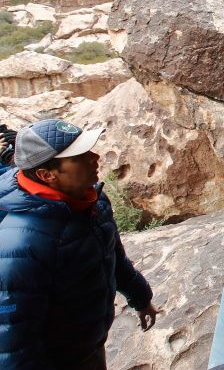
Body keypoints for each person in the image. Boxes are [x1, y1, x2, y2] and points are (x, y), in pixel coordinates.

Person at [0, 119, 158, 369]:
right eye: (80, 156)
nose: (95, 157)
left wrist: (141, 297)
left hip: (89, 345)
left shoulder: (92, 199)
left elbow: (113, 255)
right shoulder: (21, 245)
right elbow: (14, 342)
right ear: (47, 175)